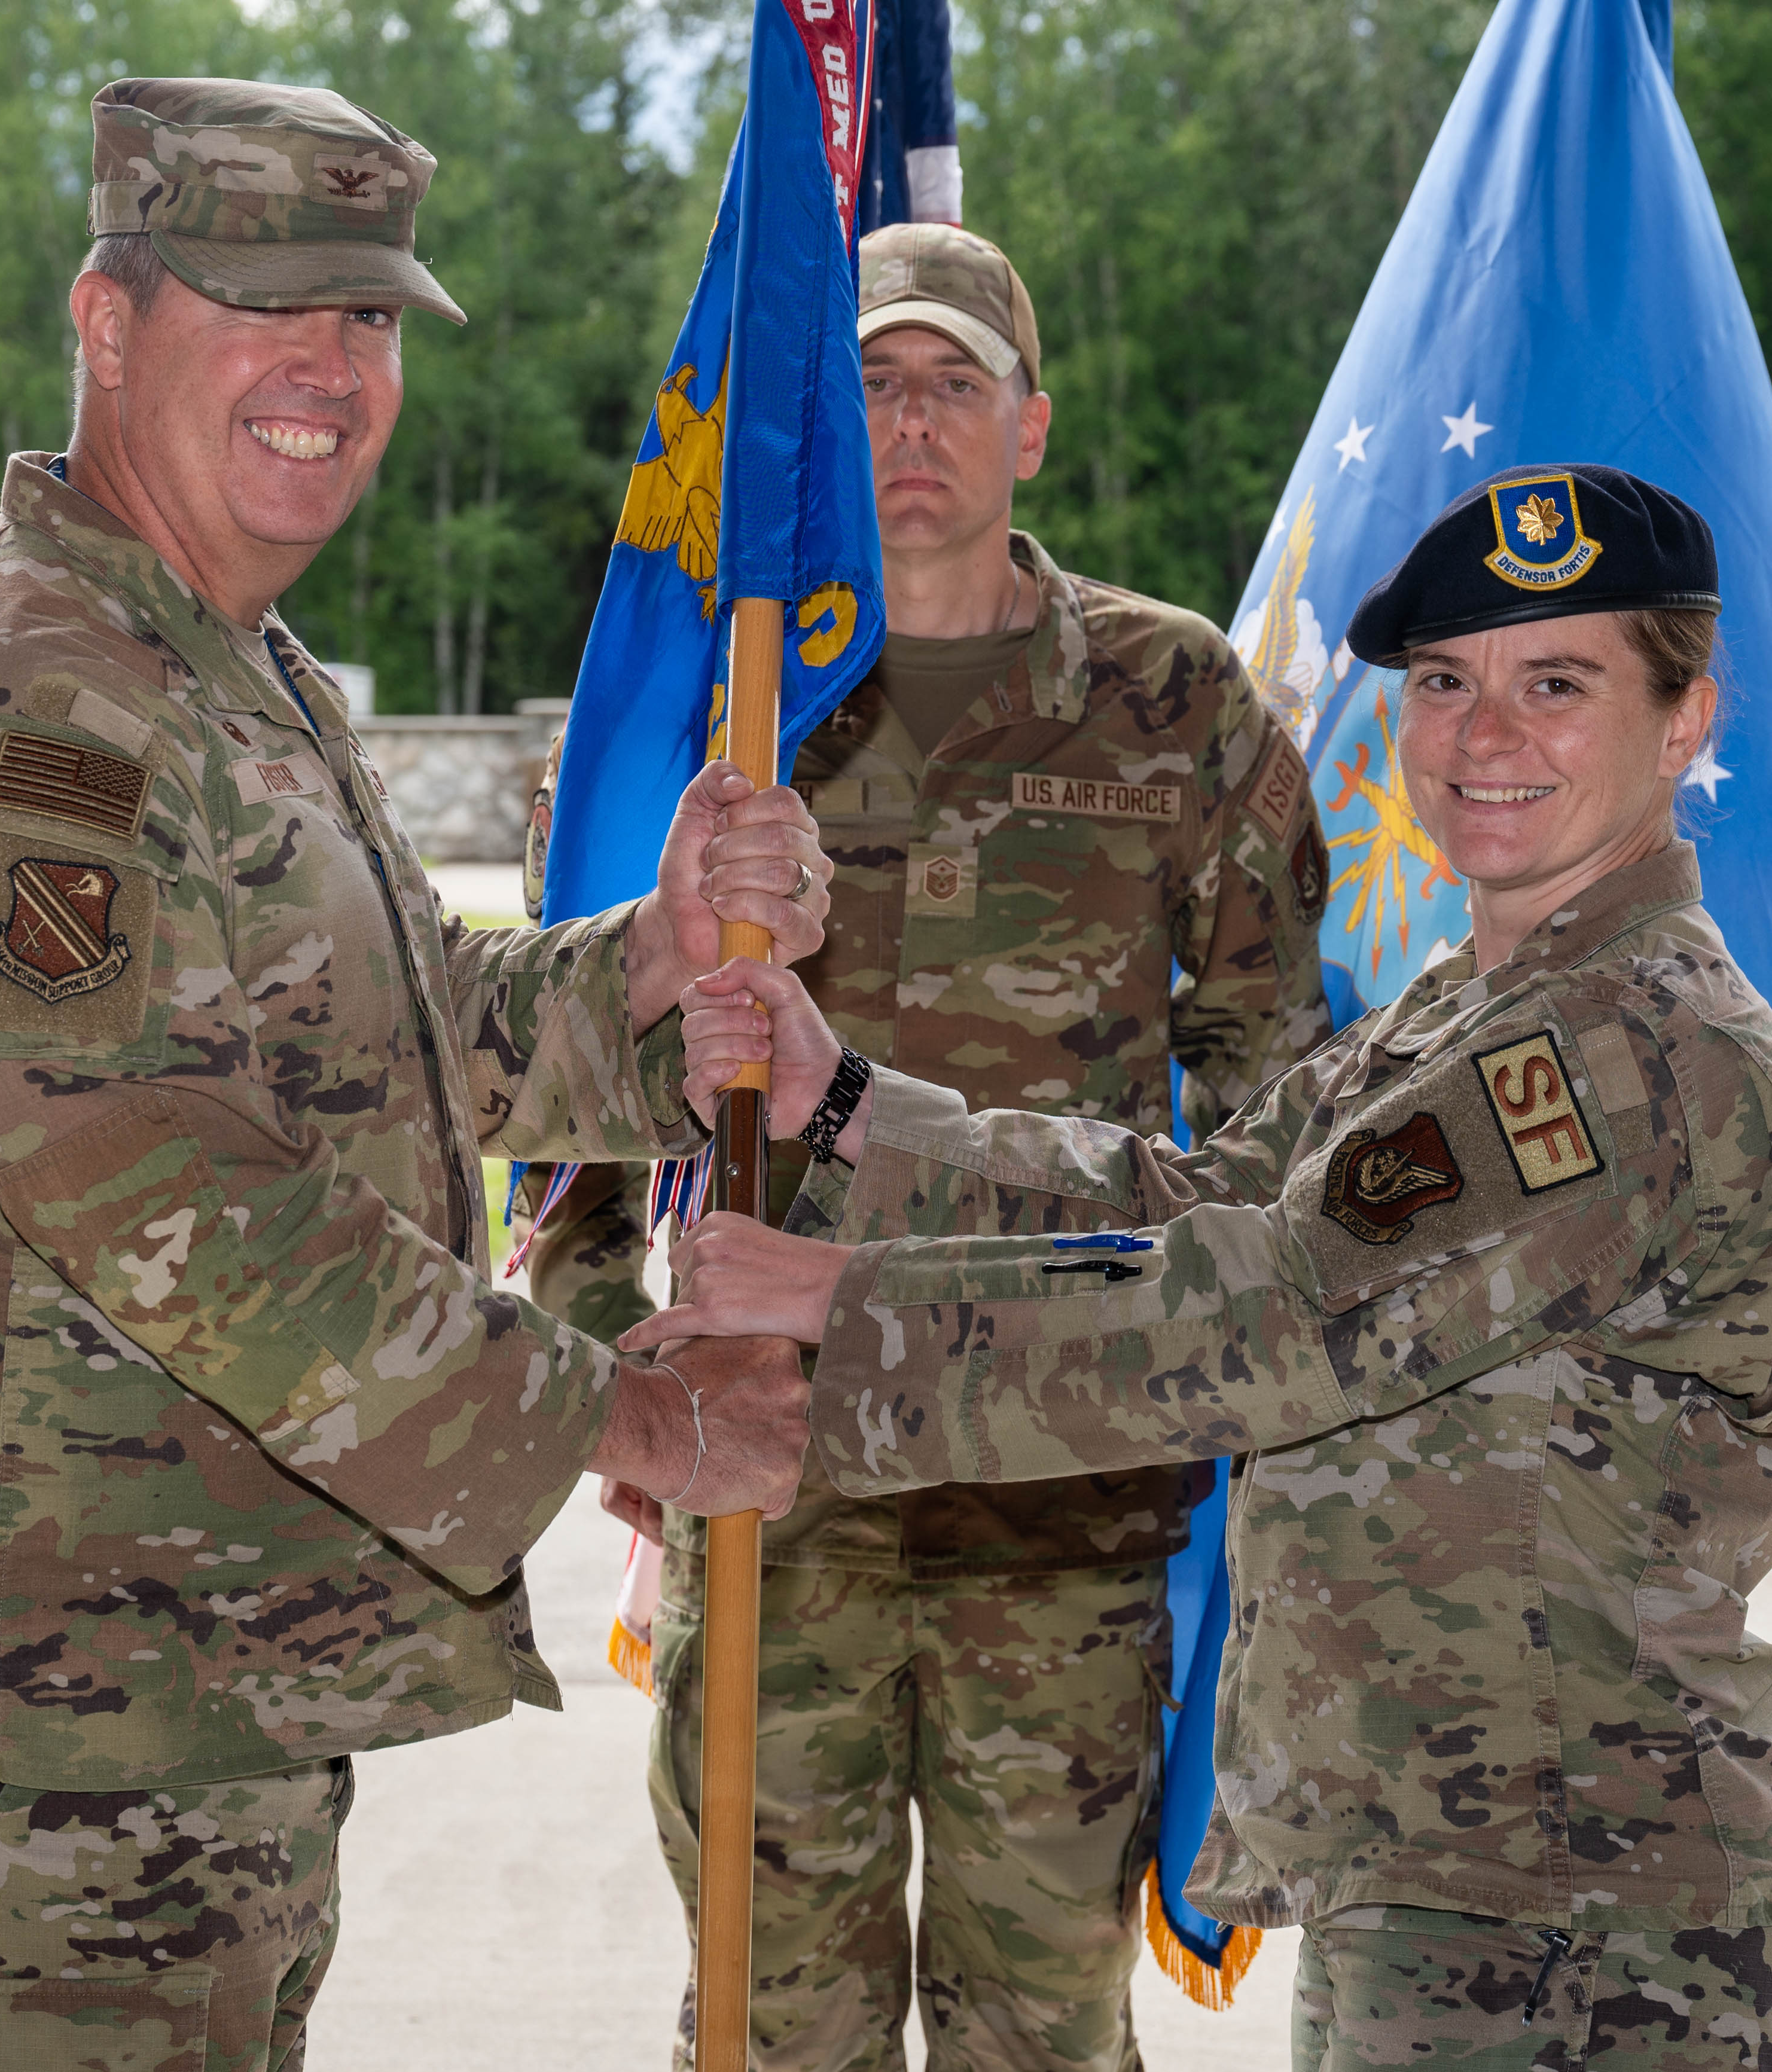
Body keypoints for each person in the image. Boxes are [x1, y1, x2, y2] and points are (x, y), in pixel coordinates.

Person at [0, 77, 824, 2072]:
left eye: (375, 315)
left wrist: (656, 973)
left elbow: (396, 1042)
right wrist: (622, 1414)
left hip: (174, 1714)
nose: (331, 366)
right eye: (268, 302)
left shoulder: (235, 675)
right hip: (18, 1762)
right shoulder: (26, 700)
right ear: (107, 320)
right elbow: (162, 1194)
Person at [638, 465, 1772, 2070]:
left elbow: (1268, 1315)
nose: (1484, 737)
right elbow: (1189, 1194)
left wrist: (835, 1319)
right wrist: (847, 1107)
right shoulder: (1470, 1008)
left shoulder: (1618, 1050)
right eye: (1442, 682)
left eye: (1558, 684)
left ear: (1685, 718)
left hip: (1578, 1915)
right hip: (1456, 1869)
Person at [536, 221, 1331, 2070]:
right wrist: (603, 1370)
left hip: (1056, 1494)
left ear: (1031, 426)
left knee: (1040, 2032)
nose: (912, 423)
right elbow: (579, 1086)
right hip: (773, 1491)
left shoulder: (1177, 700)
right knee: (764, 2024)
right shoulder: (731, 693)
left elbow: (1278, 1098)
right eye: (873, 384)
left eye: (954, 384)